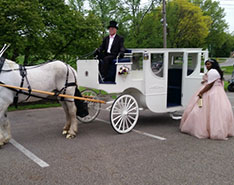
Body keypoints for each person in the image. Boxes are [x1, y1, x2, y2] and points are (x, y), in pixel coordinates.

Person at [180, 59, 234, 140]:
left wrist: (201, 92)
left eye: (208, 64)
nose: (207, 66)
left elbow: (210, 85)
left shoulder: (212, 72)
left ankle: (207, 129)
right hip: (218, 91)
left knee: (201, 109)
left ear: (213, 64)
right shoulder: (216, 71)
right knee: (217, 111)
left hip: (212, 92)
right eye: (206, 64)